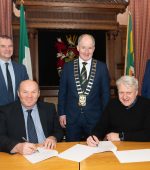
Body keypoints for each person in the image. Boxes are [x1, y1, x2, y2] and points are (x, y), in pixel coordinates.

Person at [58, 34, 110, 141]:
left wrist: (106, 118)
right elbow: (62, 92)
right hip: (72, 118)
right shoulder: (67, 67)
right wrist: (62, 113)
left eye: (90, 48)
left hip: (94, 118)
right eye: (83, 47)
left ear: (94, 48)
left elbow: (105, 94)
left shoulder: (102, 67)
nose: (87, 51)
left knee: (94, 152)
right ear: (77, 48)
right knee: (72, 151)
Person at [0, 80, 63, 154]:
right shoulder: (6, 111)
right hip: (20, 155)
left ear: (38, 94)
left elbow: (59, 131)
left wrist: (53, 138)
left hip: (46, 151)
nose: (29, 96)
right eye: (25, 92)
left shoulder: (49, 108)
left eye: (33, 92)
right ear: (18, 93)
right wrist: (17, 147)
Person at [87, 75, 150, 146]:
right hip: (115, 147)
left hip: (139, 148)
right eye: (121, 93)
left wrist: (121, 136)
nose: (125, 97)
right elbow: (101, 126)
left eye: (128, 93)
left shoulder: (147, 105)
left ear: (136, 92)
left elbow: (148, 134)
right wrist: (93, 137)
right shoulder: (112, 104)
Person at [0, 35, 29, 106]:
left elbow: (26, 90)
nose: (7, 49)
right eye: (3, 46)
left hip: (17, 112)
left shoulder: (21, 68)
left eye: (10, 46)